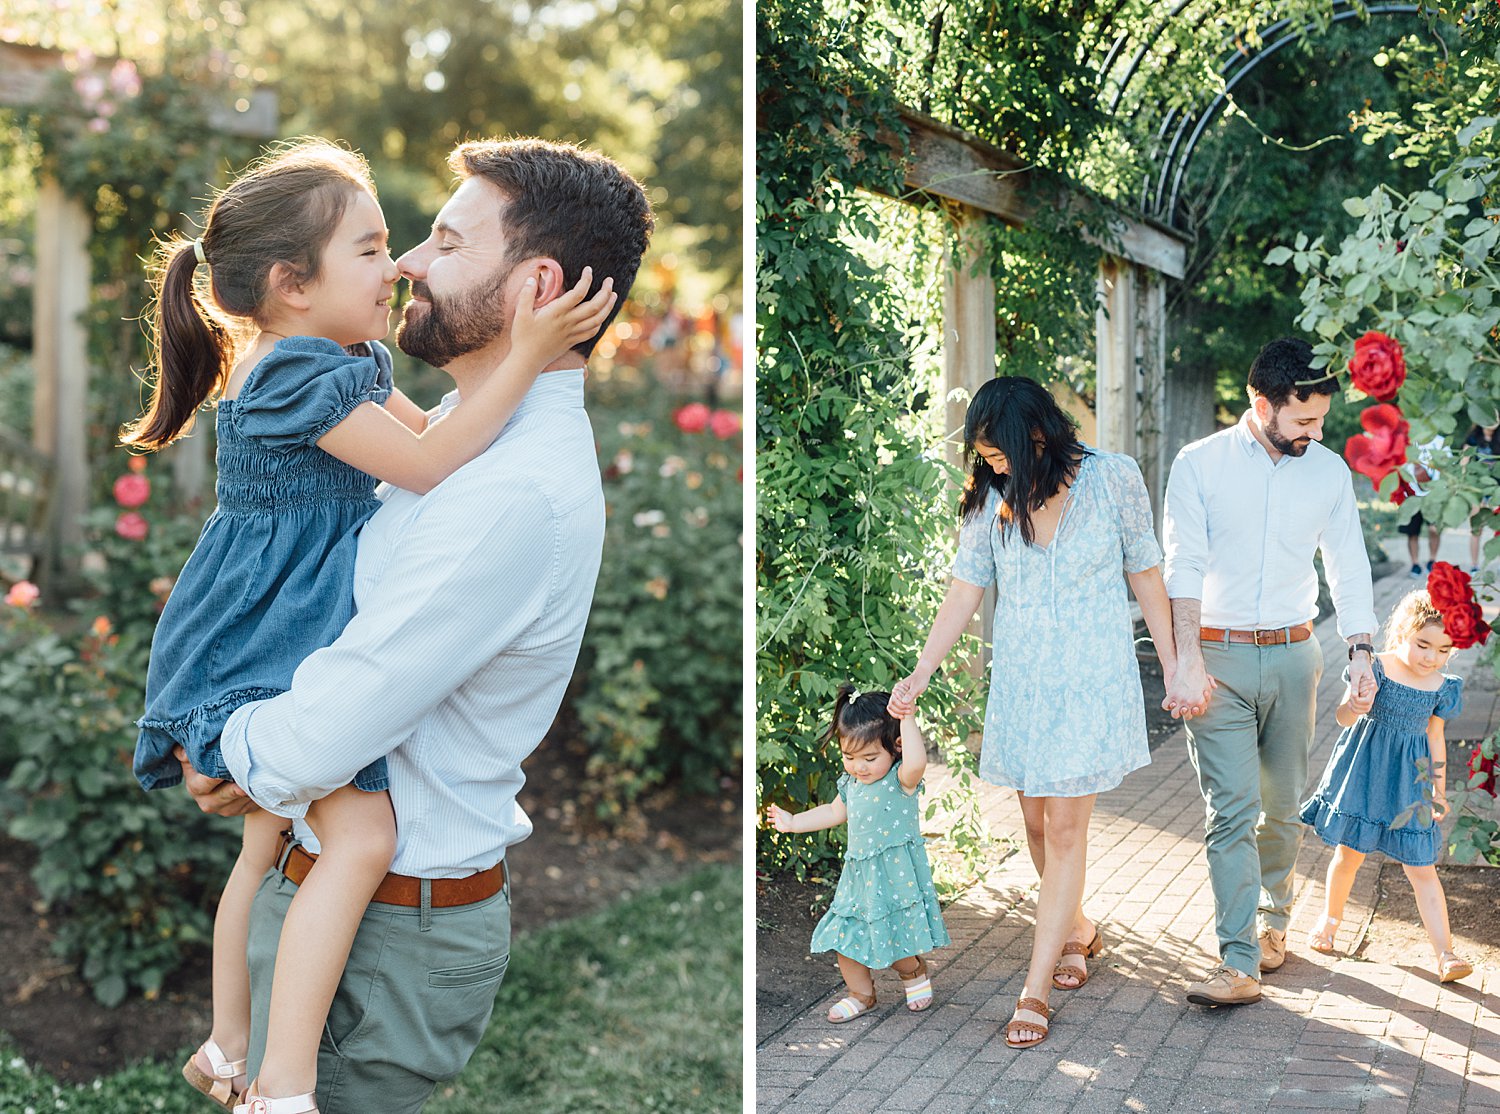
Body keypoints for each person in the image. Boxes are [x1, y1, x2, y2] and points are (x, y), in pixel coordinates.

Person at [127, 138, 614, 1114]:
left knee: (281, 844)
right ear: (290, 284)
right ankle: (264, 1069)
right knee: (318, 840)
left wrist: (520, 362)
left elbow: (429, 446)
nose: (398, 266)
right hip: (258, 633)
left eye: (427, 240)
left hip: (279, 632)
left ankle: (239, 1055)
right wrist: (523, 356)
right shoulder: (295, 377)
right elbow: (433, 460)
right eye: (374, 247)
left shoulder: (350, 369)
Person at [888, 377, 1183, 1048]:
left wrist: (1172, 662)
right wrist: (921, 671)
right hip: (1023, 683)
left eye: (1000, 454)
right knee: (1034, 821)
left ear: (1039, 438)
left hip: (1090, 681)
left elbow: (1146, 571)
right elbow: (966, 588)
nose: (992, 467)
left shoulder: (1114, 479)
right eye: (986, 457)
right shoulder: (991, 498)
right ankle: (1076, 929)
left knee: (1067, 831)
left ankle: (1035, 989)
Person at [1163, 336, 1378, 1008]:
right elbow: (1183, 564)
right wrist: (1186, 660)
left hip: (1293, 654)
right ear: (1263, 404)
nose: (1317, 433)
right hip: (1217, 660)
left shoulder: (1328, 472)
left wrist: (1361, 652)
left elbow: (1348, 563)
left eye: (1322, 420)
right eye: (1304, 421)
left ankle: (1273, 923)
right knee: (1231, 812)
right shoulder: (1200, 465)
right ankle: (1237, 962)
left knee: (1281, 811)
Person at [1299, 590, 1473, 984]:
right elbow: (1343, 718)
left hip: (1410, 784)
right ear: (1402, 633)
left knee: (1422, 867)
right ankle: (1329, 922)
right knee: (1349, 856)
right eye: (1423, 644)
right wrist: (1354, 706)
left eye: (1443, 650)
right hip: (1365, 774)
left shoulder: (1441, 686)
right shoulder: (1377, 667)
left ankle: (1445, 953)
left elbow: (1435, 738)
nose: (1431, 657)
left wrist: (1438, 789)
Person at [764, 686, 950, 1023]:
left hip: (894, 876)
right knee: (844, 935)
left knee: (897, 939)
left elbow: (918, 760)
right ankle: (861, 994)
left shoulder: (901, 780)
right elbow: (832, 813)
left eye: (869, 759)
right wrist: (792, 822)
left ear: (895, 749)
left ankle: (913, 972)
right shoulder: (851, 786)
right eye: (849, 758)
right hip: (859, 876)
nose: (859, 767)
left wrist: (907, 718)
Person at [1398, 436, 1444, 578]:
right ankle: (1415, 563)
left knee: (1434, 529)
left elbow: (1446, 464)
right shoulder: (1407, 439)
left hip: (1434, 493)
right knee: (1413, 532)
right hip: (1411, 493)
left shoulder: (1439, 441)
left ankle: (1432, 560)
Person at [1463, 423, 1498, 575]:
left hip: (1497, 488)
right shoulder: (1473, 438)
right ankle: (1474, 565)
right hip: (1478, 488)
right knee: (1476, 528)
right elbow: (1464, 460)